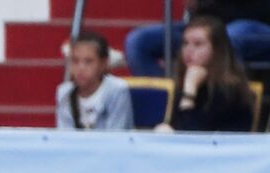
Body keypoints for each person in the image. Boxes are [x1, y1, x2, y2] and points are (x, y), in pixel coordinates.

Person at [156, 16, 257, 131]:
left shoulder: (230, 90)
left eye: (198, 44)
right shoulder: (188, 80)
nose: (189, 50)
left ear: (217, 50)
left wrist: (189, 92)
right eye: (185, 43)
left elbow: (191, 135)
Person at [126, 1, 270, 78]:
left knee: (225, 39)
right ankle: (170, 105)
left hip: (254, 22)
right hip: (205, 23)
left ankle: (214, 105)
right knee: (138, 42)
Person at [57, 31, 134, 130]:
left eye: (88, 61)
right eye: (75, 61)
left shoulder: (117, 90)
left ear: (104, 63)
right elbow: (64, 137)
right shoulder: (64, 93)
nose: (81, 68)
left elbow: (117, 136)